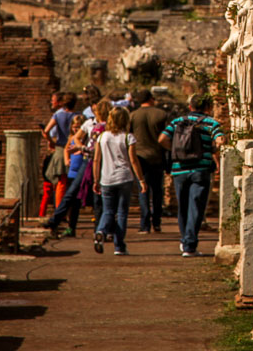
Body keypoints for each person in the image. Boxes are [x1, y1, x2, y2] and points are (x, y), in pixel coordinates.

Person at [159, 94, 224, 257]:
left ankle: (185, 240)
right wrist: (213, 149)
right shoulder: (211, 123)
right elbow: (220, 140)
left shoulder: (177, 122)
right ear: (208, 108)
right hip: (200, 170)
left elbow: (162, 139)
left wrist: (176, 151)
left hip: (179, 169)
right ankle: (189, 244)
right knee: (196, 207)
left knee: (183, 206)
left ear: (190, 107)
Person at [92, 106, 146, 256]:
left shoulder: (102, 137)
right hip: (124, 178)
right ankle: (119, 246)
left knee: (108, 210)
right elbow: (133, 160)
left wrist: (95, 180)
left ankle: (101, 231)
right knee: (122, 213)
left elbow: (96, 160)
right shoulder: (129, 137)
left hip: (106, 178)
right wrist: (141, 180)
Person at [130, 89, 168, 234]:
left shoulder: (133, 116)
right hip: (157, 156)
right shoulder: (161, 114)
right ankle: (156, 222)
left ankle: (144, 224)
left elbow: (129, 138)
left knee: (143, 190)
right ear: (151, 99)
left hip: (139, 158)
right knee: (158, 191)